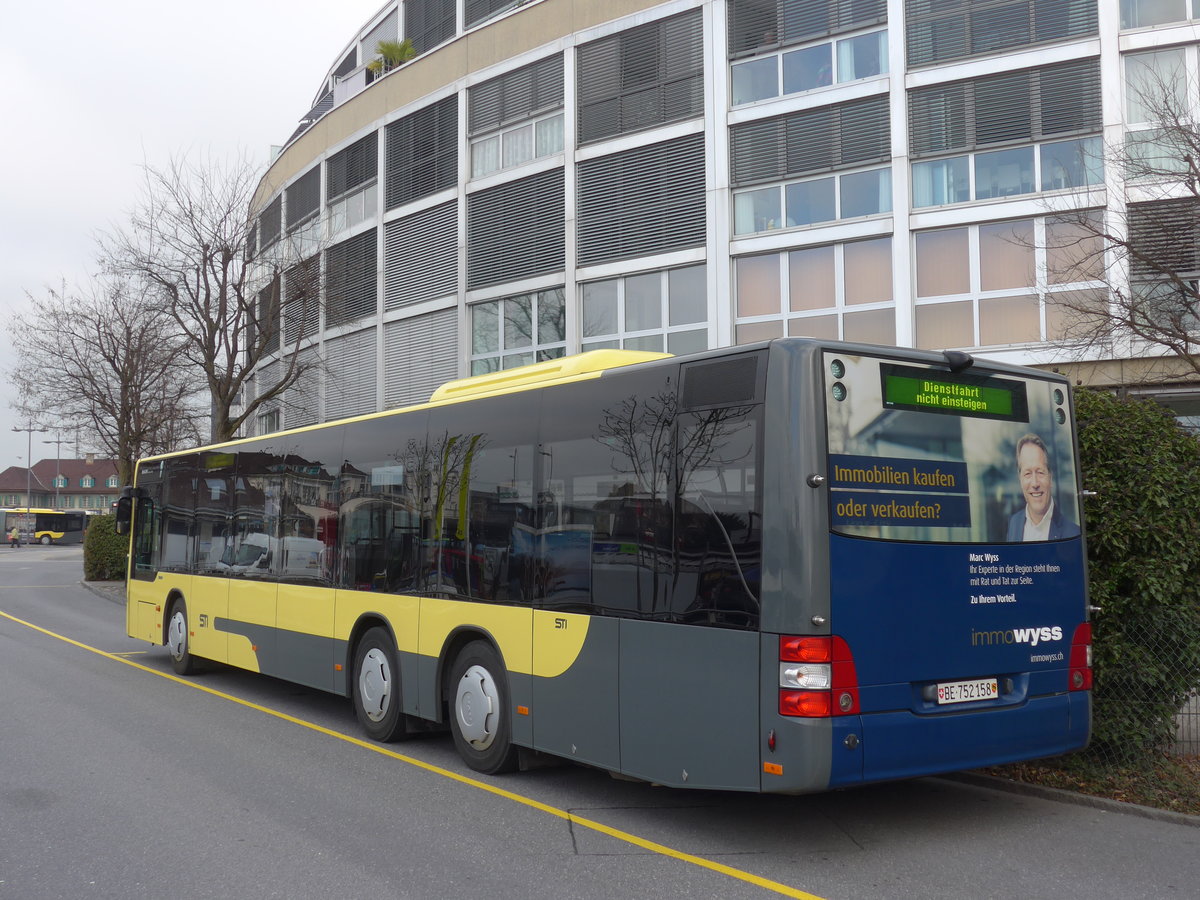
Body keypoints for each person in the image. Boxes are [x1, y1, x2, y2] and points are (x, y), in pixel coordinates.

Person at [1005, 433, 1080, 542]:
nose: (1035, 483)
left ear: (1050, 477)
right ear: (1020, 479)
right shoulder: (1014, 524)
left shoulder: (1073, 534)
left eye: (1040, 472)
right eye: (1027, 473)